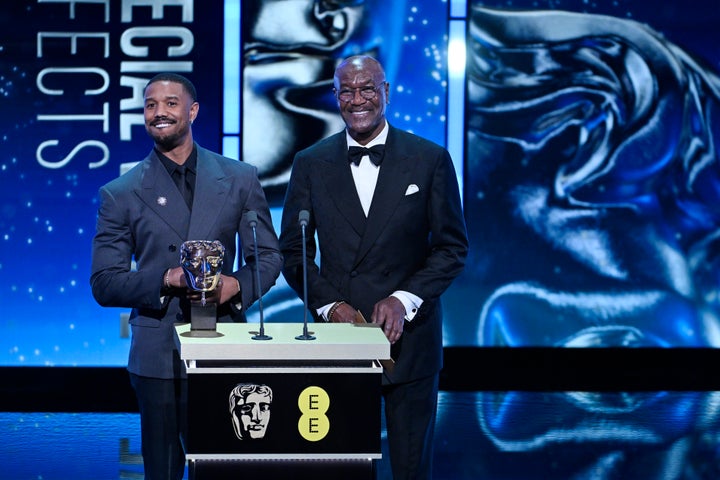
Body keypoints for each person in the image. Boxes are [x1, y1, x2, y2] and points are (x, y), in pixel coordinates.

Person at [279, 55, 468, 479]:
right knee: (343, 468)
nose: (357, 99)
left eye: (367, 89)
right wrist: (330, 306)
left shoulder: (429, 158)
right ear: (336, 96)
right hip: (340, 342)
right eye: (347, 91)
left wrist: (404, 299)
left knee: (411, 470)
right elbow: (293, 251)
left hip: (411, 345)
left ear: (386, 92)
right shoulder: (310, 162)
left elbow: (452, 248)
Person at [90, 72, 282, 480]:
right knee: (162, 470)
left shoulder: (240, 177)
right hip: (158, 353)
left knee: (222, 467)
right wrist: (167, 279)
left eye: (170, 103)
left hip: (223, 342)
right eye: (150, 105)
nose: (159, 112)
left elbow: (267, 256)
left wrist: (235, 285)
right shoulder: (120, 193)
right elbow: (104, 282)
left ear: (192, 111)